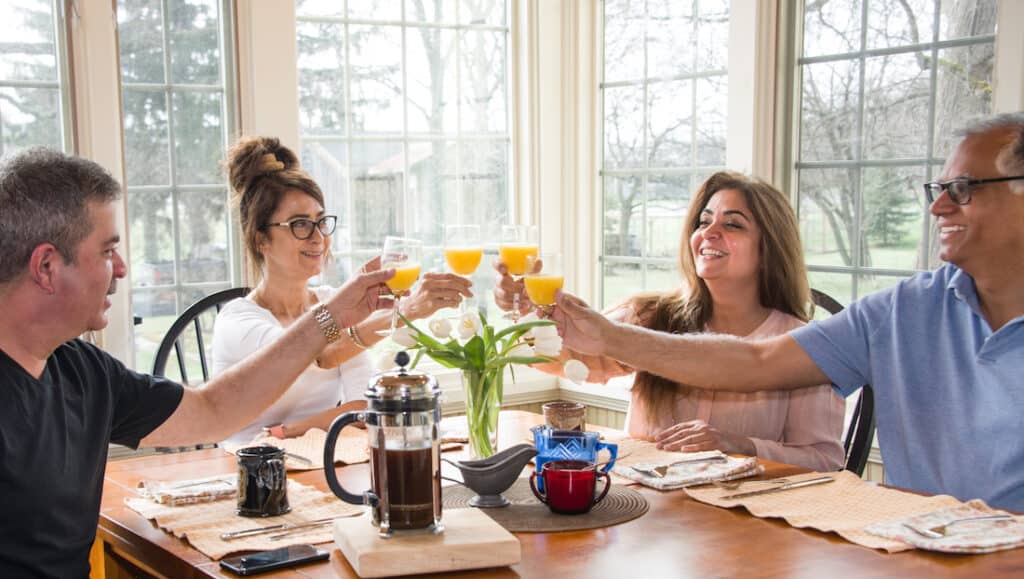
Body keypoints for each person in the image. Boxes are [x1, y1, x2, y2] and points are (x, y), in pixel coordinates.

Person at [0, 147, 395, 579]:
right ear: (47, 266)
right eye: (108, 250)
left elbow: (211, 410)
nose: (121, 269)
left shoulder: (81, 368)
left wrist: (330, 317)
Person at [552, 113, 1024, 512]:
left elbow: (821, 458)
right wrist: (609, 335)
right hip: (920, 556)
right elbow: (755, 363)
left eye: (961, 188)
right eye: (938, 189)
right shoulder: (902, 310)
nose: (938, 206)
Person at [494, 173, 844, 470]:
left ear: (770, 248)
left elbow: (824, 460)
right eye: (704, 221)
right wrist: (524, 313)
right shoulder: (651, 315)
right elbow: (567, 359)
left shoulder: (799, 345)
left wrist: (737, 445)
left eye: (733, 224)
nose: (709, 232)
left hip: (741, 530)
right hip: (645, 514)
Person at [213, 137, 473, 446]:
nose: (318, 237)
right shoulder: (238, 322)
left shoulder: (328, 303)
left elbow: (365, 406)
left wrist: (288, 432)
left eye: (321, 222)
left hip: (318, 459)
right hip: (244, 469)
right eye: (299, 225)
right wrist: (405, 313)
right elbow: (314, 351)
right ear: (261, 241)